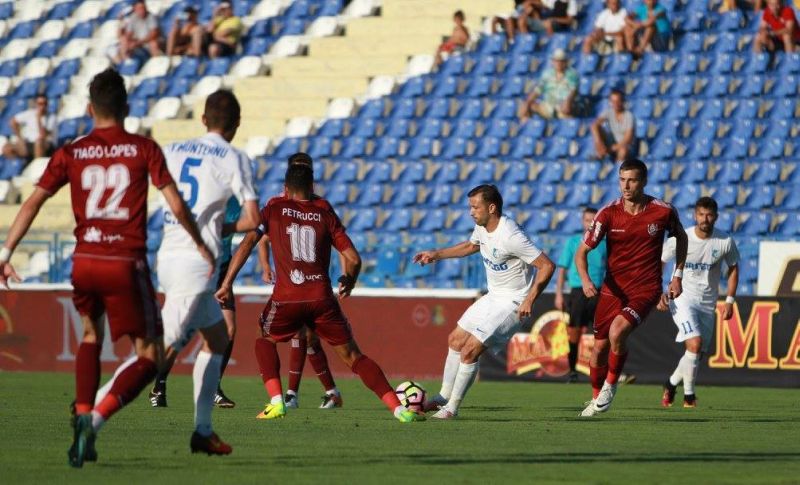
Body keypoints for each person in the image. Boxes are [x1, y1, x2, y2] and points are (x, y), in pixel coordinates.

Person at [0, 68, 214, 466]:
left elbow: (32, 202)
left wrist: (6, 253)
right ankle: (97, 416)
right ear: (126, 108)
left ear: (89, 109)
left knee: (89, 335)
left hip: (84, 261)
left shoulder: (71, 152)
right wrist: (200, 243)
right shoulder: (142, 148)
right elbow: (176, 203)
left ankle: (83, 415)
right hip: (124, 261)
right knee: (150, 355)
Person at [215, 163, 423, 423]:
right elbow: (354, 258)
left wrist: (227, 282)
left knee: (264, 337)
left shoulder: (274, 208)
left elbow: (248, 242)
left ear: (286, 188)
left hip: (287, 297)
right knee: (353, 356)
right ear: (311, 186)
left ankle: (277, 401)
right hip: (321, 298)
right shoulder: (324, 212)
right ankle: (399, 409)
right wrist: (349, 280)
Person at [413, 185, 555, 419]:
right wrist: (436, 254)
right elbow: (471, 246)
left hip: (513, 302)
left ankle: (452, 408)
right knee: (455, 340)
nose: (471, 212)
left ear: (491, 208)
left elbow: (547, 265)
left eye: (475, 207)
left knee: (470, 350)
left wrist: (530, 299)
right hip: (493, 297)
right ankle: (443, 397)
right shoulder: (482, 227)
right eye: (470, 207)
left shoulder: (511, 235)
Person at [577, 159, 688, 417]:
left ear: (644, 182)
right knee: (599, 348)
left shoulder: (662, 211)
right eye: (622, 180)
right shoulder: (608, 213)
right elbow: (581, 252)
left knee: (617, 332)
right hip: (613, 289)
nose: (626, 186)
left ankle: (610, 385)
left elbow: (681, 237)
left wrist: (677, 275)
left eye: (632, 180)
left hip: (645, 288)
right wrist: (585, 280)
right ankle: (596, 398)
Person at [658, 197, 739, 408]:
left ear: (716, 217)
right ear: (695, 215)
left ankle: (670, 384)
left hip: (708, 302)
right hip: (682, 298)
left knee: (695, 353)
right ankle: (689, 397)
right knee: (694, 343)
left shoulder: (724, 241)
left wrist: (729, 300)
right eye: (701, 214)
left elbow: (733, 269)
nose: (705, 219)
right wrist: (658, 291)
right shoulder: (681, 238)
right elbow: (660, 262)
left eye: (709, 215)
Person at [555, 207, 607, 383]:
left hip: (599, 291)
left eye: (593, 220)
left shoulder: (605, 243)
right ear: (582, 222)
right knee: (574, 332)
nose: (590, 223)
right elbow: (562, 269)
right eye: (587, 220)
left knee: (604, 334)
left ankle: (606, 373)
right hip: (578, 291)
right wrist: (559, 294)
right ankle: (572, 371)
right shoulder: (573, 242)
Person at [518, 48, 578, 121]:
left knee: (566, 113)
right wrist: (527, 102)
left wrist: (567, 102)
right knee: (525, 106)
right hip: (548, 105)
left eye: (561, 61)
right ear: (552, 62)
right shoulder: (547, 74)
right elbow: (538, 90)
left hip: (563, 106)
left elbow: (573, 91)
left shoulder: (572, 74)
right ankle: (526, 127)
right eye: (556, 61)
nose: (558, 63)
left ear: (565, 62)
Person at [3, 94, 57, 161]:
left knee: (39, 142)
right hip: (29, 144)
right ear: (36, 104)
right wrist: (20, 138)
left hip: (46, 145)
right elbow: (13, 121)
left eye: (45, 103)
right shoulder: (30, 113)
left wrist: (38, 120)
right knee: (7, 148)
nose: (43, 106)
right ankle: (19, 164)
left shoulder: (52, 117)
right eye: (40, 104)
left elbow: (43, 135)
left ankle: (38, 165)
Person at [591, 89, 636, 162]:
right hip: (612, 144)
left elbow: (628, 139)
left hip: (624, 146)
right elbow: (594, 125)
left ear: (622, 101)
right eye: (613, 101)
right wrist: (598, 141)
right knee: (597, 129)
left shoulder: (629, 116)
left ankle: (617, 167)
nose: (615, 104)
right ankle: (599, 158)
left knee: (623, 151)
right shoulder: (608, 112)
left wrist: (613, 148)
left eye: (618, 101)